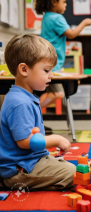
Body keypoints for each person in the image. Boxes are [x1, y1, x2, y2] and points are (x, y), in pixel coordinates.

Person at [0, 34, 75, 191]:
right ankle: (19, 184)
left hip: (29, 160)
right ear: (24, 69)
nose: (51, 75)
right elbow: (25, 142)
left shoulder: (24, 96)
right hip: (18, 170)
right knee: (74, 174)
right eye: (46, 70)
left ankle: (45, 179)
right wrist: (55, 139)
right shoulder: (19, 102)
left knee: (71, 168)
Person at [34, 0, 91, 110]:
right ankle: (32, 110)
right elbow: (71, 34)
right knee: (58, 93)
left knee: (51, 92)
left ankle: (33, 112)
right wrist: (84, 23)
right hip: (51, 63)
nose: (66, 5)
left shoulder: (47, 17)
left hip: (45, 61)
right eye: (64, 2)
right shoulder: (57, 18)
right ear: (54, 2)